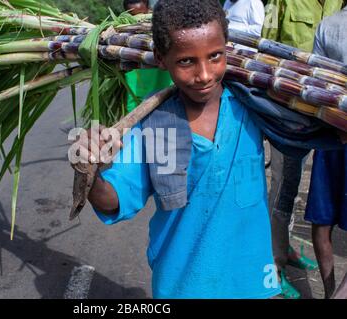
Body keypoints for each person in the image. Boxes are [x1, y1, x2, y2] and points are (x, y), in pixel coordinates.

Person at [72, 0, 342, 298]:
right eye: (186, 61)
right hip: (183, 284)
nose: (204, 74)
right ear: (161, 59)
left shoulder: (251, 105)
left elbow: (307, 129)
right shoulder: (154, 124)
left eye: (215, 56)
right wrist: (91, 171)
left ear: (227, 48)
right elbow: (114, 200)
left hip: (252, 280)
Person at [261, 0, 343, 299]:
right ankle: (274, 263)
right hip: (290, 115)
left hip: (332, 122)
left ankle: (287, 248)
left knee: (301, 194)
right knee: (283, 185)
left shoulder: (338, 3)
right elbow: (264, 47)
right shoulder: (284, 1)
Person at [305, 4, 347, 299]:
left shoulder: (328, 24)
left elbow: (315, 77)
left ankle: (330, 291)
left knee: (322, 220)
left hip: (328, 131)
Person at [123, 0, 174, 113]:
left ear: (149, 11)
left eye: (142, 15)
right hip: (137, 97)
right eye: (132, 16)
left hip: (166, 93)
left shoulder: (161, 32)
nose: (138, 20)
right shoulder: (122, 38)